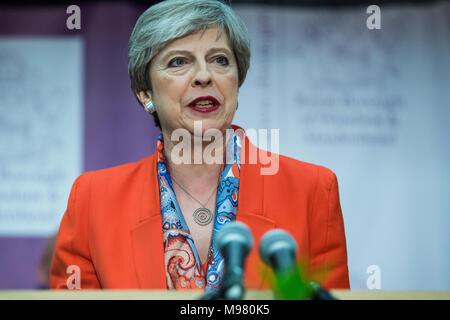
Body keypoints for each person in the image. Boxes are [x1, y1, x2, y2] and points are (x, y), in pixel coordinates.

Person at [50, 0, 349, 291]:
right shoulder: (93, 200)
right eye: (178, 62)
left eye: (220, 60)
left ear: (237, 79)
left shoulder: (313, 189)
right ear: (145, 93)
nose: (204, 76)